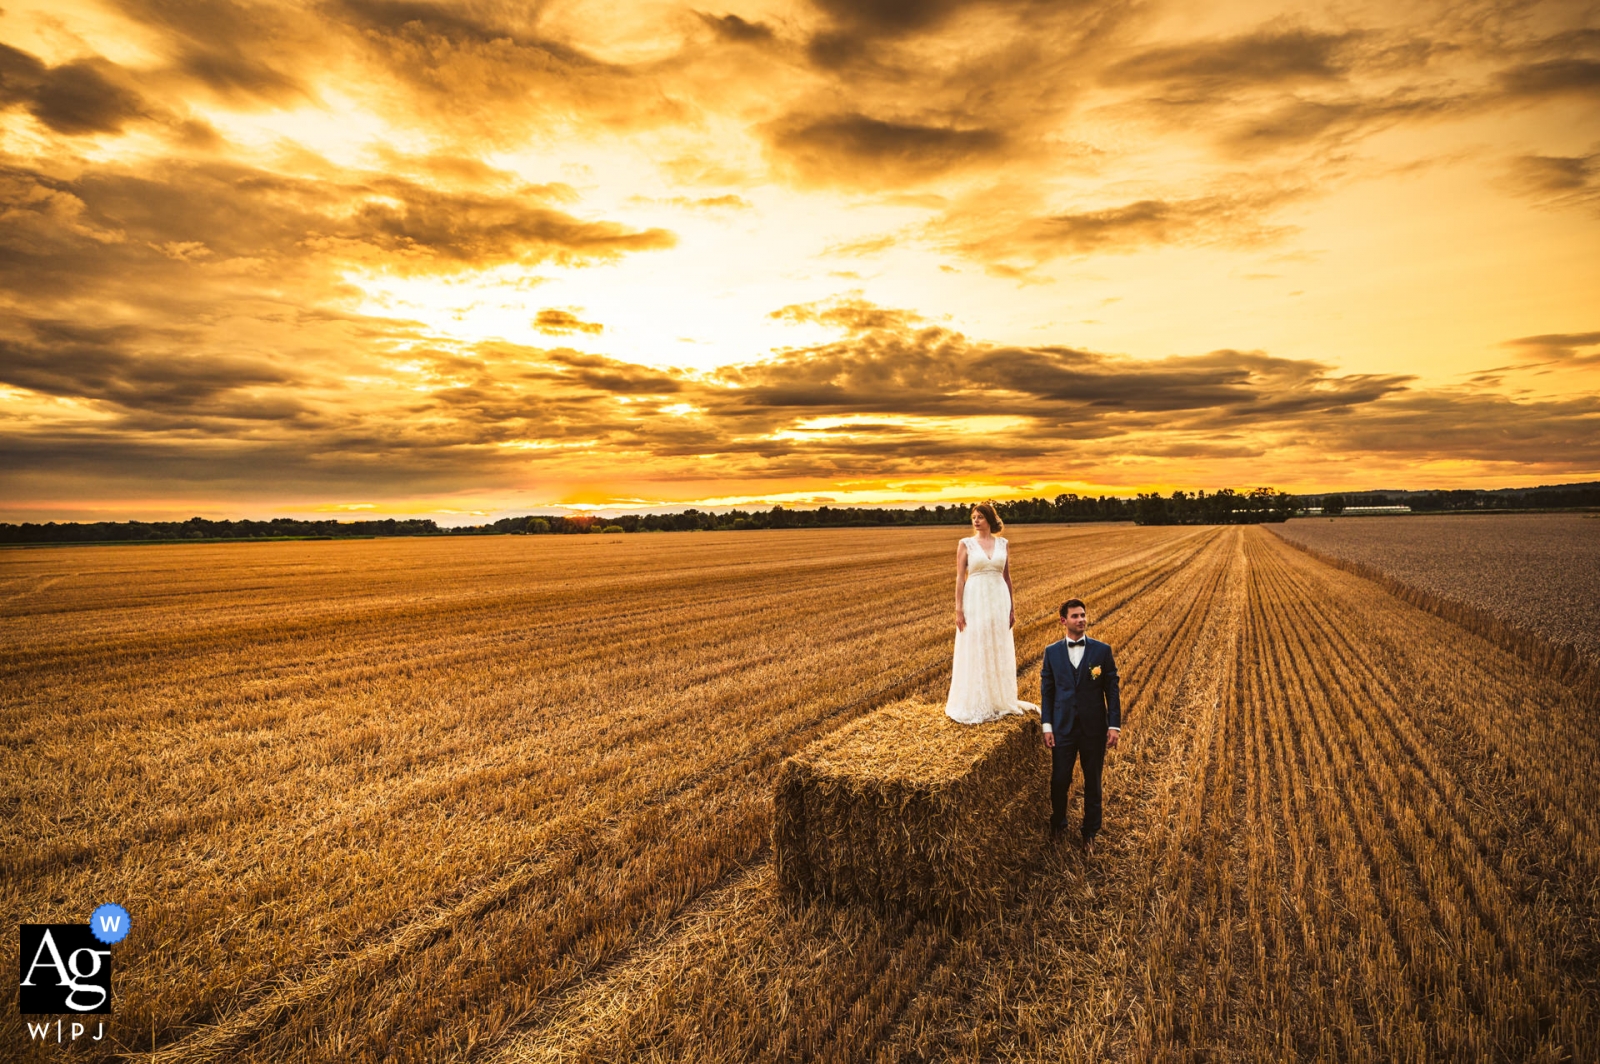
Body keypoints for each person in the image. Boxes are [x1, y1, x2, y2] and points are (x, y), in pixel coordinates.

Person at [945, 503, 1039, 724]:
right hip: (975, 600)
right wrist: (958, 609)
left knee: (996, 644)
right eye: (973, 517)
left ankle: (999, 699)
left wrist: (1012, 607)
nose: (976, 520)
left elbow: (1007, 578)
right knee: (977, 644)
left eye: (980, 517)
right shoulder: (965, 544)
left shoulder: (1003, 544)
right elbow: (960, 578)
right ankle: (977, 701)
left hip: (998, 599)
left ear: (989, 519)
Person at [1040, 598, 1121, 852]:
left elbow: (1112, 690)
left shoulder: (1101, 651)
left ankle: (1090, 832)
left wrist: (1114, 726)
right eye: (1075, 616)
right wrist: (1047, 727)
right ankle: (1058, 823)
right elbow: (1047, 692)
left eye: (1083, 615)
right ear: (1063, 621)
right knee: (1059, 781)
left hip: (1094, 730)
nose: (1081, 619)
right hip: (1062, 729)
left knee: (1093, 783)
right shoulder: (1051, 653)